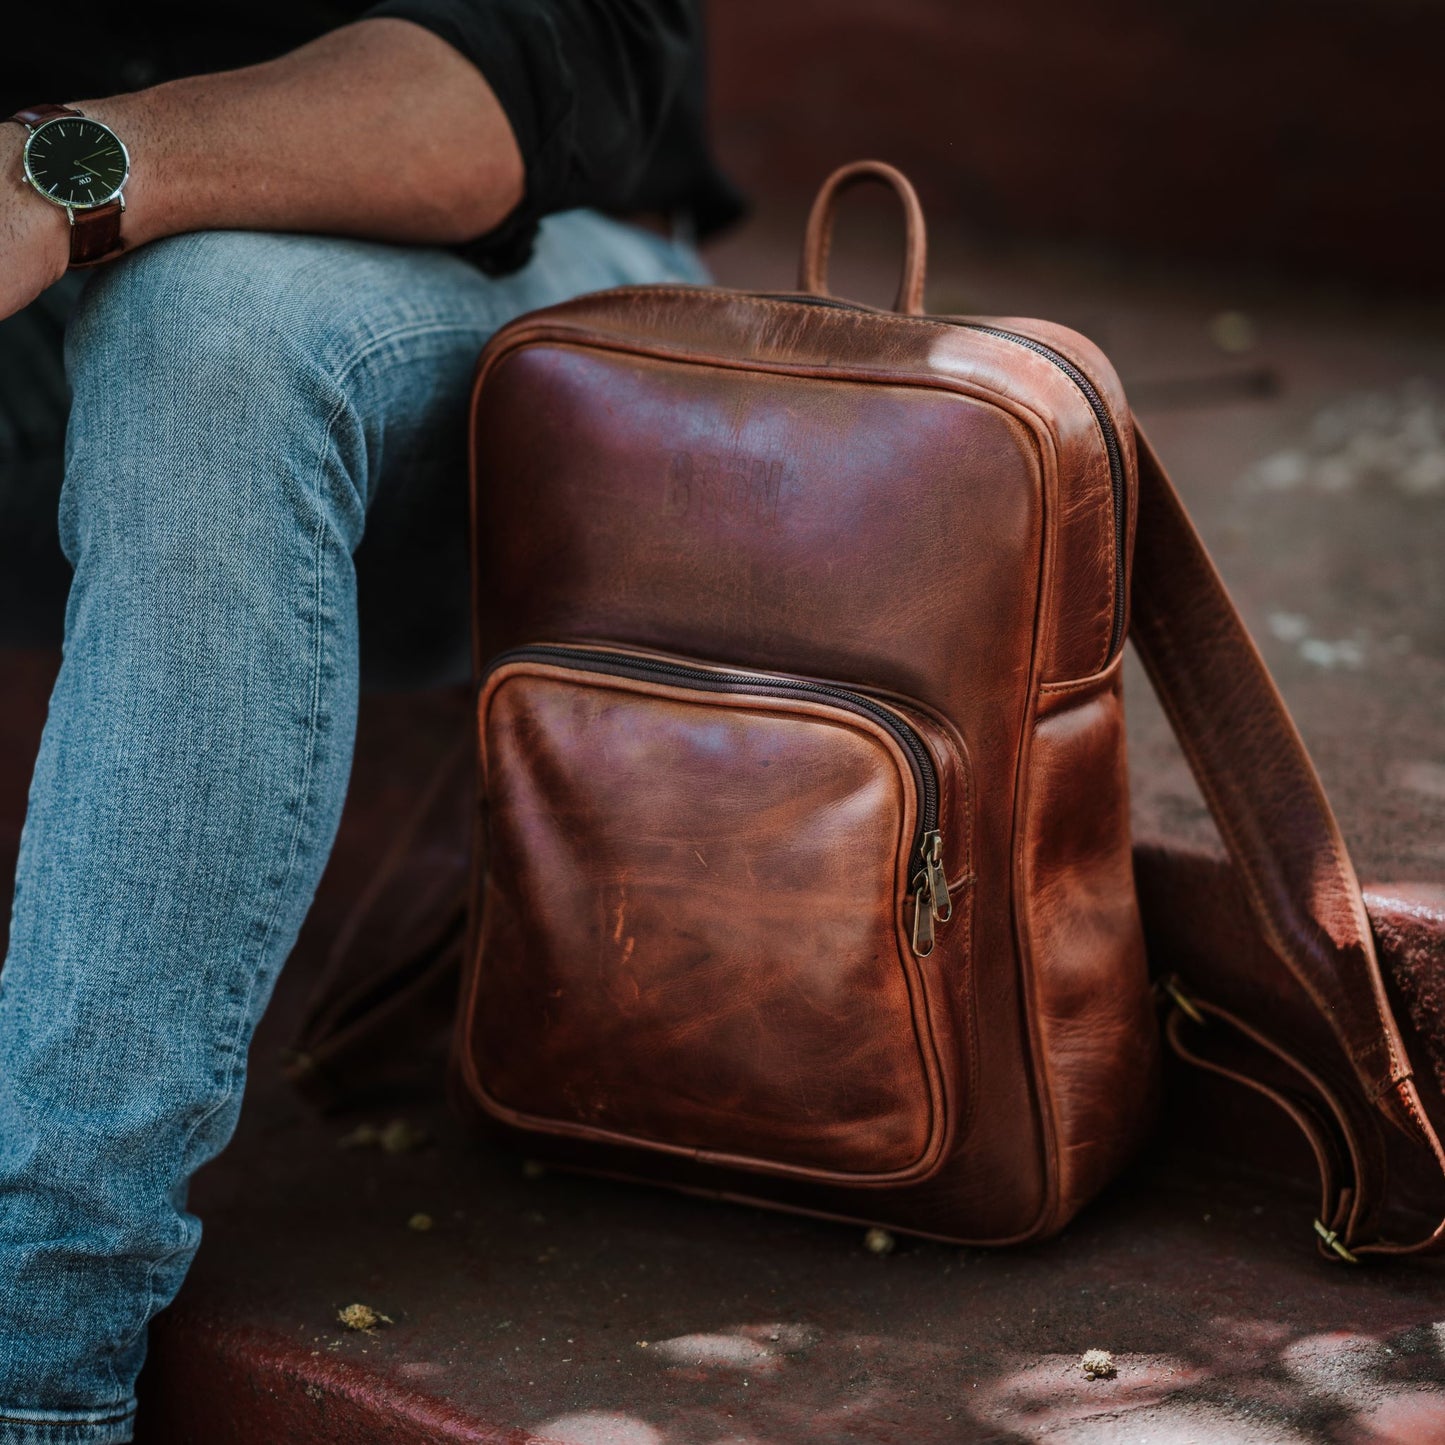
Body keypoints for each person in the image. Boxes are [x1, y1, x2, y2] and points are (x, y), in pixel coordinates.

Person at [0, 4, 740, 1437]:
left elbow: (495, 99)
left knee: (208, 326)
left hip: (524, 296)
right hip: (50, 343)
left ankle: (33, 1355)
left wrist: (56, 175)